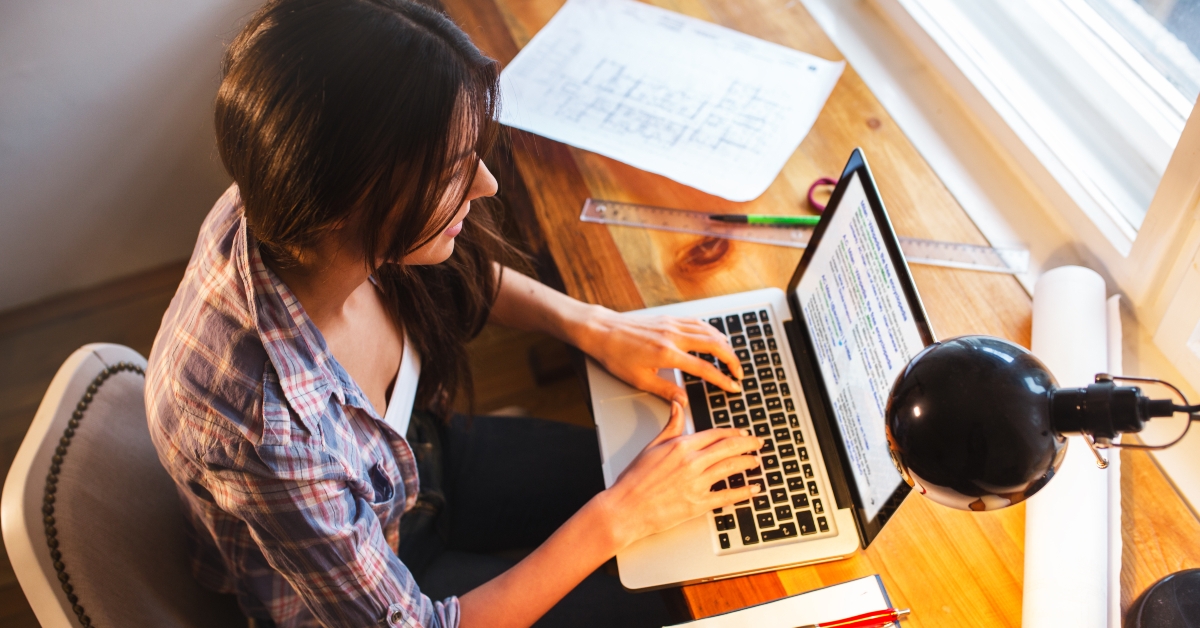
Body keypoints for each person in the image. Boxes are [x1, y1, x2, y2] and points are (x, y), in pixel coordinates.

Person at [145, 0, 763, 626]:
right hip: (390, 566)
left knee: (701, 499)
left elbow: (454, 269)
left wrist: (596, 327)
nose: (487, 183)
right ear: (342, 202)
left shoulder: (293, 196)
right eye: (450, 170)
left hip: (416, 456)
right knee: (674, 598)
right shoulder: (273, 435)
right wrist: (619, 517)